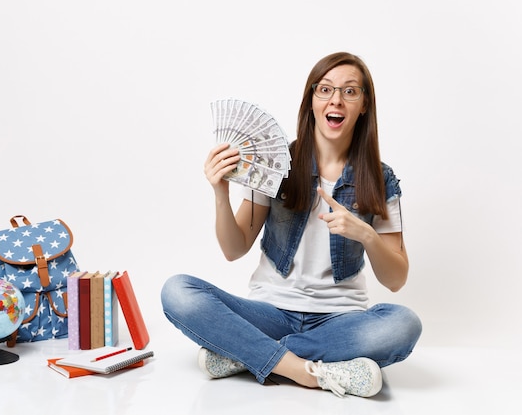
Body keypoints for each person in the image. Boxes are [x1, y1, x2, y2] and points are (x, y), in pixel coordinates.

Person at [160, 52, 422, 398]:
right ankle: (306, 371)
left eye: (349, 91)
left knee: (403, 325)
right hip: (270, 311)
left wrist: (367, 236)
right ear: (311, 100)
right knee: (178, 291)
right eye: (325, 89)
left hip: (339, 321)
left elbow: (396, 279)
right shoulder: (273, 163)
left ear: (364, 105)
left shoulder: (380, 178)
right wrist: (220, 192)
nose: (336, 100)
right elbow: (233, 249)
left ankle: (245, 355)